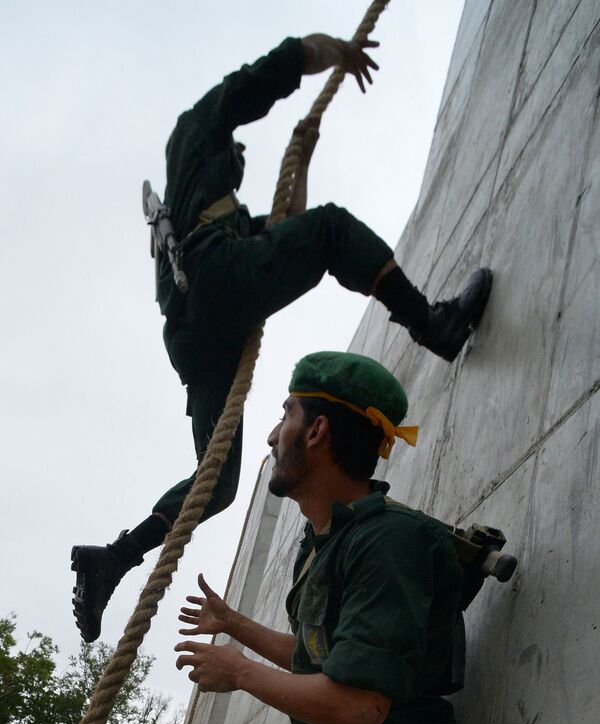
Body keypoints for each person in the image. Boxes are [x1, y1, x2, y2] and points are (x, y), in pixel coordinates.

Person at [71, 34, 491, 643]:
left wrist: (303, 147)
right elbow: (271, 72)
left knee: (214, 485)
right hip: (211, 285)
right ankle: (431, 323)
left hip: (197, 333)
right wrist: (335, 52)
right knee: (332, 231)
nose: (238, 160)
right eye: (235, 153)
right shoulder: (196, 133)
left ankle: (114, 557)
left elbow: (282, 231)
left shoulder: (222, 219)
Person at [175, 350, 464, 724]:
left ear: (317, 431)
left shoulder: (390, 543)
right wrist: (236, 626)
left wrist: (239, 672)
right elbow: (322, 661)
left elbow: (358, 708)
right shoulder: (322, 544)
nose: (270, 437)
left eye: (286, 415)